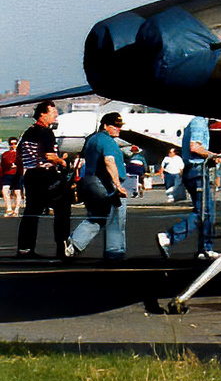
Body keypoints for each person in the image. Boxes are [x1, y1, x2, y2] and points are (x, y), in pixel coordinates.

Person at [67, 112, 131, 262]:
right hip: (105, 184)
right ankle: (115, 252)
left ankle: (74, 243)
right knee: (116, 217)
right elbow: (109, 161)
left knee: (97, 217)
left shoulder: (92, 139)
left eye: (119, 126)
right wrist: (117, 186)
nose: (118, 129)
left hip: (90, 182)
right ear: (105, 126)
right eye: (115, 126)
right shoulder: (106, 141)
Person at [158, 114, 221, 260]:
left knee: (204, 211)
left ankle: (204, 248)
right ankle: (170, 236)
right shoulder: (199, 122)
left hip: (194, 171)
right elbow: (195, 147)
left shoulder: (196, 123)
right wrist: (213, 155)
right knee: (205, 211)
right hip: (196, 171)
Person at [15, 101, 71, 258]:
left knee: (32, 212)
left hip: (31, 175)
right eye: (53, 112)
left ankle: (24, 248)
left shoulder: (27, 132)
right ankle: (62, 246)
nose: (56, 115)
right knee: (62, 207)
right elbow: (49, 156)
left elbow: (19, 155)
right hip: (46, 175)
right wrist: (62, 161)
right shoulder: (46, 132)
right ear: (43, 114)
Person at [1, 138, 19, 218]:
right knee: (5, 190)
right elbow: (2, 165)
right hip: (7, 174)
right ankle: (9, 209)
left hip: (17, 174)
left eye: (15, 143)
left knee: (17, 192)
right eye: (11, 144)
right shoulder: (5, 154)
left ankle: (16, 210)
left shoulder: (20, 154)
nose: (13, 145)